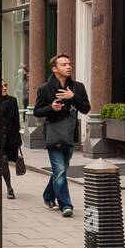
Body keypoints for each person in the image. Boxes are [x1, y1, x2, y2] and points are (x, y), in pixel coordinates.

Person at [33, 53, 91, 217]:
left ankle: (48, 195)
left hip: (70, 134)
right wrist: (51, 107)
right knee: (59, 170)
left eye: (69, 63)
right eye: (64, 64)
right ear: (55, 69)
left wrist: (73, 98)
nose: (68, 66)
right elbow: (37, 111)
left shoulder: (77, 87)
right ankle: (66, 205)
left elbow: (86, 108)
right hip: (54, 134)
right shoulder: (45, 88)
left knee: (61, 170)